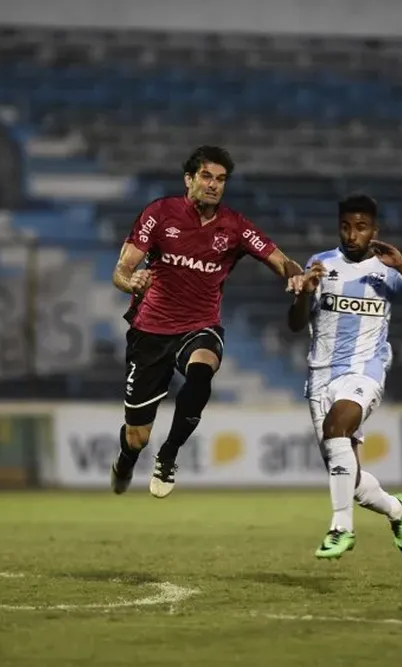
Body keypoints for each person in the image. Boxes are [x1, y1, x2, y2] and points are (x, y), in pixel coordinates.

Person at [109, 146, 303, 498]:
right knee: (138, 436)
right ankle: (126, 458)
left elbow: (280, 260)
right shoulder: (160, 213)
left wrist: (295, 276)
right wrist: (131, 281)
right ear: (189, 179)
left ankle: (168, 456)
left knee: (202, 371)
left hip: (200, 326)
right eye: (206, 176)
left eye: (221, 179)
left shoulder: (235, 226)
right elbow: (122, 270)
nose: (214, 185)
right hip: (150, 331)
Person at [286, 194, 402, 559]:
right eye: (345, 227)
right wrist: (302, 295)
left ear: (374, 230)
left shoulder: (387, 269)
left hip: (364, 371)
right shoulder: (320, 264)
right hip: (320, 376)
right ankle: (397, 509)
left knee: (337, 428)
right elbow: (295, 325)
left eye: (360, 227)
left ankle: (341, 529)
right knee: (350, 479)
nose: (352, 235)